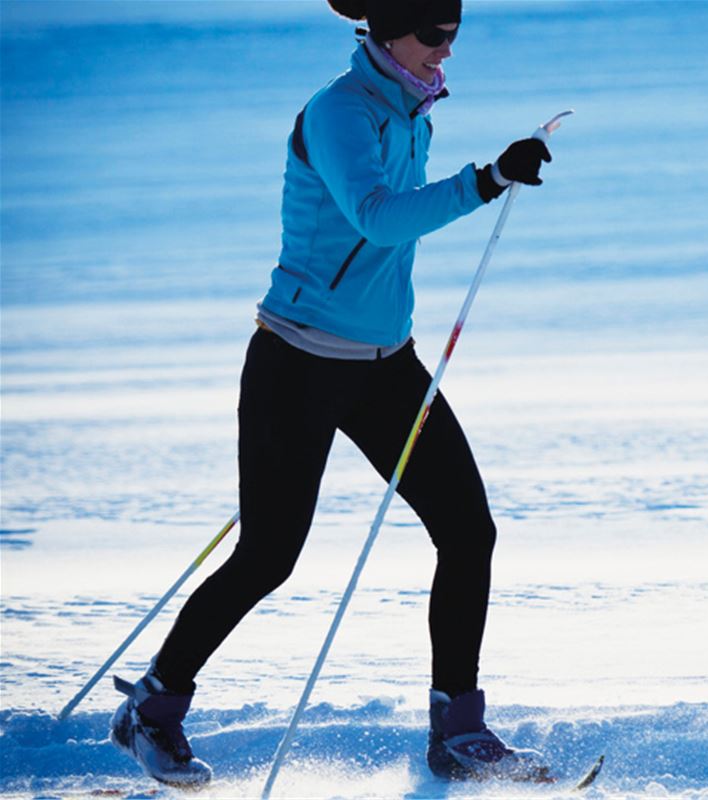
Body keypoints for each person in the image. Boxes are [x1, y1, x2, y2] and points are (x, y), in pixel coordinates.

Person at [109, 0, 553, 787]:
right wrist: (484, 181)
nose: (446, 52)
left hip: (386, 364)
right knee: (269, 556)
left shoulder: (412, 111)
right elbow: (378, 220)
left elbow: (387, 233)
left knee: (468, 530)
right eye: (434, 36)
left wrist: (484, 178)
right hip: (298, 363)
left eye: (455, 35)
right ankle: (154, 708)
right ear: (389, 33)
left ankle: (459, 731)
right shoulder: (338, 112)